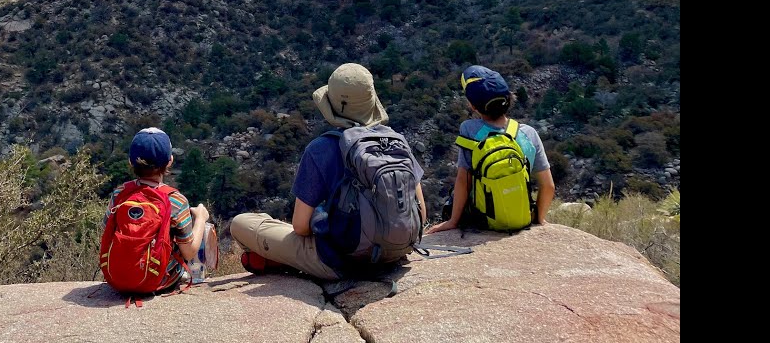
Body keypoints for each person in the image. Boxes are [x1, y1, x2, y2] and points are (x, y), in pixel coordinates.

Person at [230, 63, 426, 280]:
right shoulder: (396, 143)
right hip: (395, 253)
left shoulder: (320, 149)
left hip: (340, 263)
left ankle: (281, 261)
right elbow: (421, 213)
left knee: (241, 223)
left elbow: (301, 228)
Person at [428, 65, 555, 234]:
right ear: (509, 98)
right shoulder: (529, 133)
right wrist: (538, 219)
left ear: (473, 106)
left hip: (481, 221)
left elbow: (463, 181)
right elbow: (548, 186)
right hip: (521, 219)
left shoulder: (469, 129)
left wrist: (452, 221)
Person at [101, 127, 210, 292]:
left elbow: (106, 229)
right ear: (170, 161)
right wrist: (201, 218)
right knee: (200, 231)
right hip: (160, 281)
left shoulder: (120, 194)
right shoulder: (175, 200)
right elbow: (189, 252)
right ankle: (194, 275)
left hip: (117, 278)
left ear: (131, 162)